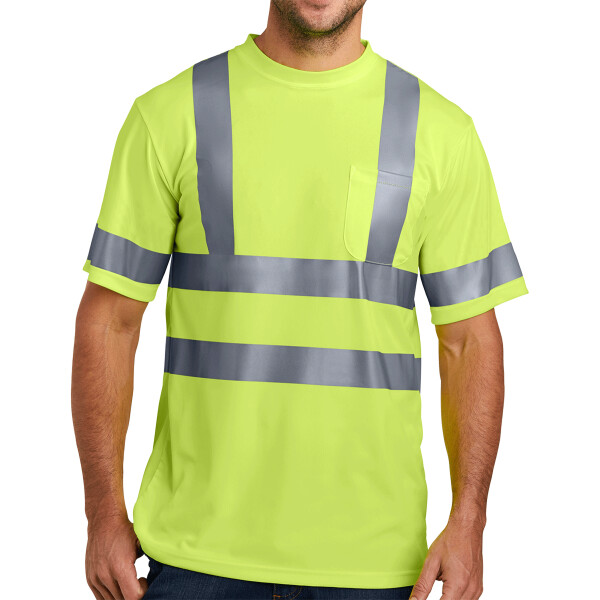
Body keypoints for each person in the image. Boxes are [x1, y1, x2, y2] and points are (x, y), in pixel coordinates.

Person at [71, 1, 528, 599]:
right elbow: (110, 321)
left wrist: (470, 520)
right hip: (196, 558)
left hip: (375, 567)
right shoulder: (171, 115)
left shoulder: (440, 131)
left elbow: (469, 341)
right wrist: (102, 513)